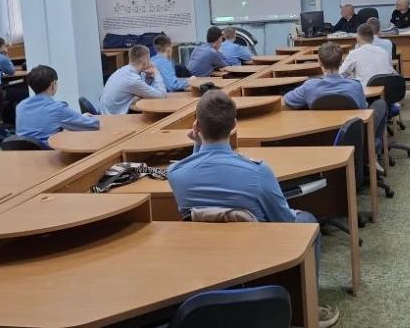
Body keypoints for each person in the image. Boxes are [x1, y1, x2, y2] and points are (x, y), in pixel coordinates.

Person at [168, 90, 340, 328]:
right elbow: (284, 222)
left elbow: (191, 168)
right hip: (258, 256)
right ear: (234, 126)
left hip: (208, 254)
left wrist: (197, 145)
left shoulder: (176, 175)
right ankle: (309, 307)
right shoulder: (258, 172)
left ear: (196, 127)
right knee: (307, 222)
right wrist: (296, 214)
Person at [286, 41, 389, 155]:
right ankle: (372, 153)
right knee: (380, 104)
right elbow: (363, 110)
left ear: (319, 62)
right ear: (341, 61)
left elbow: (287, 100)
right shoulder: (355, 86)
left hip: (321, 141)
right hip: (352, 141)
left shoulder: (309, 86)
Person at [16, 65, 99, 148]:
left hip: (22, 152)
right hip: (49, 152)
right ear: (53, 84)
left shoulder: (21, 106)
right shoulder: (57, 108)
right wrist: (83, 118)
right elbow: (92, 125)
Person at [99, 45, 167, 114]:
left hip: (106, 113)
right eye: (149, 59)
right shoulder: (133, 79)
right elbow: (162, 95)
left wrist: (148, 78)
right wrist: (157, 73)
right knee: (155, 115)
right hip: (111, 118)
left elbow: (143, 92)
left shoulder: (123, 70)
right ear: (145, 60)